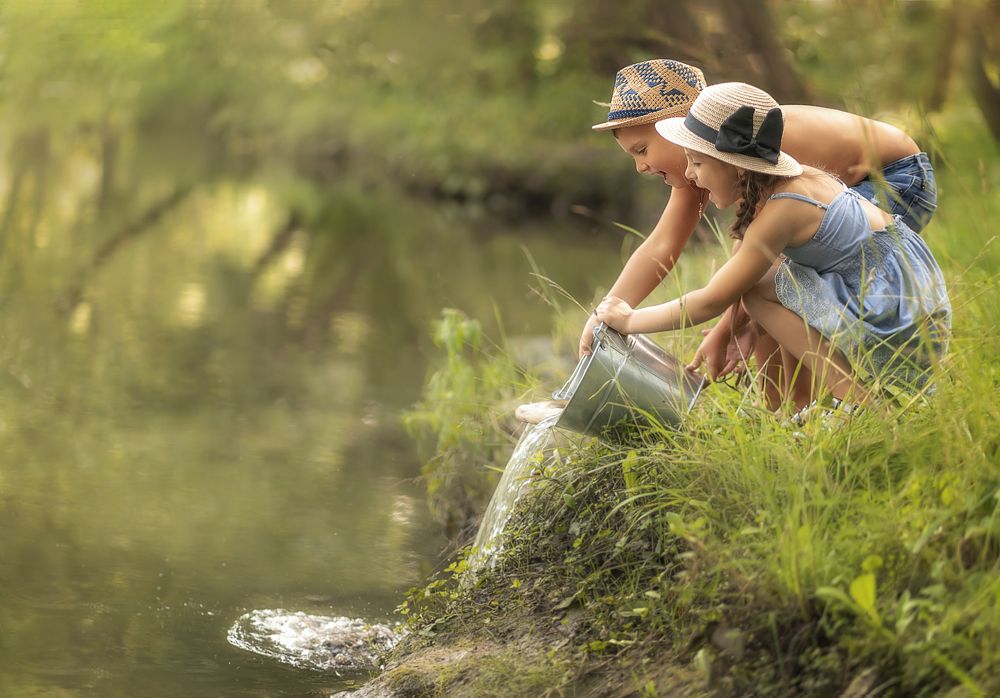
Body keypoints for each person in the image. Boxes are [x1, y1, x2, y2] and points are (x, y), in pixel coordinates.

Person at [583, 60, 938, 406]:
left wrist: (728, 327)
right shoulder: (708, 159)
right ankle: (789, 411)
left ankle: (817, 405)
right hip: (845, 206)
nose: (640, 166)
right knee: (768, 289)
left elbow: (748, 264)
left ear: (680, 127)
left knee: (773, 286)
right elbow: (662, 245)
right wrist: (601, 316)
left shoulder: (760, 140)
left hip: (892, 178)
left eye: (642, 151)